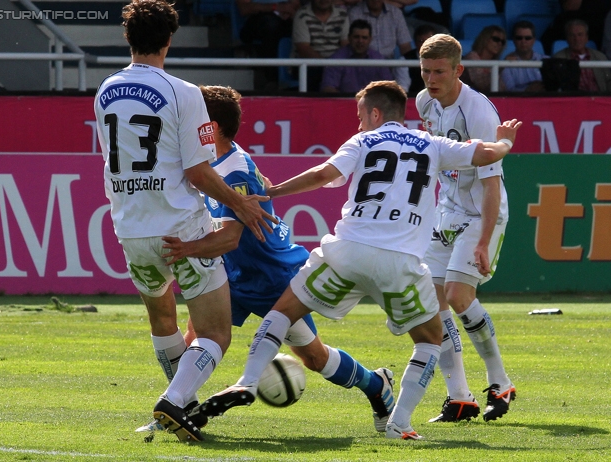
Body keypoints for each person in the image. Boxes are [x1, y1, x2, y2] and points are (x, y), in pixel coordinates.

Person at [196, 80, 522, 440]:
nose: (358, 123)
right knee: (430, 339)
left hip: (346, 251)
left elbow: (323, 175)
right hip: (400, 262)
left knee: (282, 311)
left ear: (376, 114)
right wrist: (506, 138)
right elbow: (489, 154)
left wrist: (272, 191)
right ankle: (399, 424)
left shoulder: (364, 141)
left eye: (360, 115)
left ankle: (248, 379)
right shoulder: (433, 144)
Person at [156, 84, 397, 436]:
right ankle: (176, 407)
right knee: (198, 334)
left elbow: (229, 237)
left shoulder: (235, 171)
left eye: (194, 118)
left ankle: (376, 385)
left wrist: (186, 249)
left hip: (271, 276)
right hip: (236, 273)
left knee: (314, 358)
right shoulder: (211, 161)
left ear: (213, 127)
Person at [93, 0, 276, 443]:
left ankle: (180, 408)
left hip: (130, 228)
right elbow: (197, 171)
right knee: (214, 331)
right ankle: (173, 402)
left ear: (128, 38)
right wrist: (242, 203)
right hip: (180, 226)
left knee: (163, 321)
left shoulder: (104, 90)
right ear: (169, 39)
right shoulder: (185, 92)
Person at [417, 33, 515, 423]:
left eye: (439, 71)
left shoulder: (478, 112)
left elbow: (491, 184)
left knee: (458, 295)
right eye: (425, 71)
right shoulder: (425, 102)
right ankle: (459, 397)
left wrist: (485, 240)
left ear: (459, 70)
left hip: (480, 215)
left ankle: (500, 382)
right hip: (446, 212)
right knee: (432, 303)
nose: (431, 79)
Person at [348, 0, 414, 88]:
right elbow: (352, 42)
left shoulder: (395, 13)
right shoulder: (355, 13)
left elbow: (405, 47)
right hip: (363, 65)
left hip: (390, 67)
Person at [235, 0, 301, 86]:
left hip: (285, 16)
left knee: (302, 23)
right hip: (257, 19)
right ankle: (272, 80)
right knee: (271, 26)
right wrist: (275, 7)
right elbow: (245, 8)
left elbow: (296, 3)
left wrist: (288, 10)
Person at [321, 19, 394, 92]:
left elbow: (389, 89)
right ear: (349, 38)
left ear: (370, 39)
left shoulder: (378, 59)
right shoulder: (336, 59)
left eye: (364, 37)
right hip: (344, 102)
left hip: (373, 103)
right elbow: (328, 89)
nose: (360, 41)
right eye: (356, 37)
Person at [292, 0, 350, 91]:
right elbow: (303, 49)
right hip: (310, 64)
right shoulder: (301, 15)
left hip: (335, 63)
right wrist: (326, 65)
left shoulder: (342, 14)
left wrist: (333, 65)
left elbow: (345, 44)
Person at [552, 19, 611, 92]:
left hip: (598, 100)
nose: (576, 39)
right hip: (574, 101)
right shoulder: (558, 58)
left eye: (580, 35)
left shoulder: (600, 57)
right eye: (572, 35)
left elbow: (609, 81)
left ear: (586, 38)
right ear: (567, 39)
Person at [501, 20, 547, 92]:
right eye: (519, 38)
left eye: (527, 38)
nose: (523, 41)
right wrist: (527, 90)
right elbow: (509, 92)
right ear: (514, 40)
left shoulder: (547, 60)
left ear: (534, 40)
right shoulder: (506, 63)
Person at [463, 25, 507, 93]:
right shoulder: (472, 57)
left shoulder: (495, 62)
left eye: (502, 42)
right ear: (485, 38)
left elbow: (502, 89)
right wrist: (500, 68)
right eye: (496, 39)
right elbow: (481, 84)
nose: (499, 43)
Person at [404, 23, 436, 94]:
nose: (425, 44)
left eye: (429, 41)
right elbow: (403, 90)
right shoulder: (404, 61)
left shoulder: (446, 58)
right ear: (415, 43)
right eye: (421, 41)